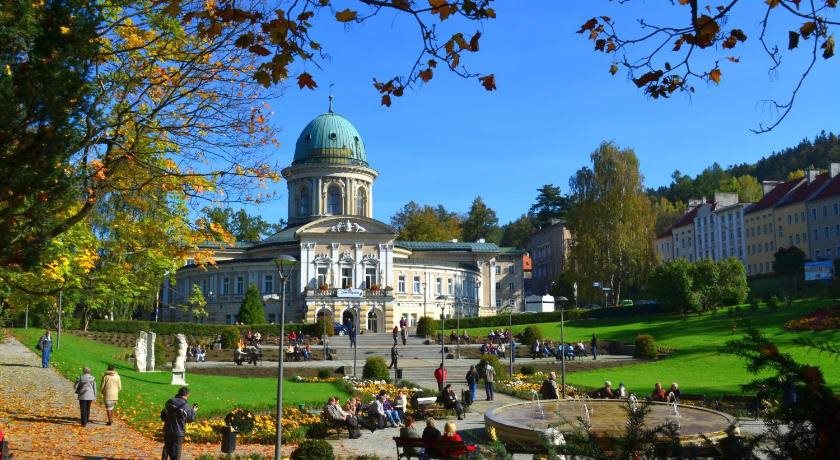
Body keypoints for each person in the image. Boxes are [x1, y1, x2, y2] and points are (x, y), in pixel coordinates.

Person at [161, 387, 197, 460]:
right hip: (178, 432)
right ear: (187, 395)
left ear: (178, 393)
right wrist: (194, 411)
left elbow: (163, 414)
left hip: (167, 429)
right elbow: (190, 419)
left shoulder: (170, 402)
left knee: (167, 447)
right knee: (176, 453)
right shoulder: (187, 407)